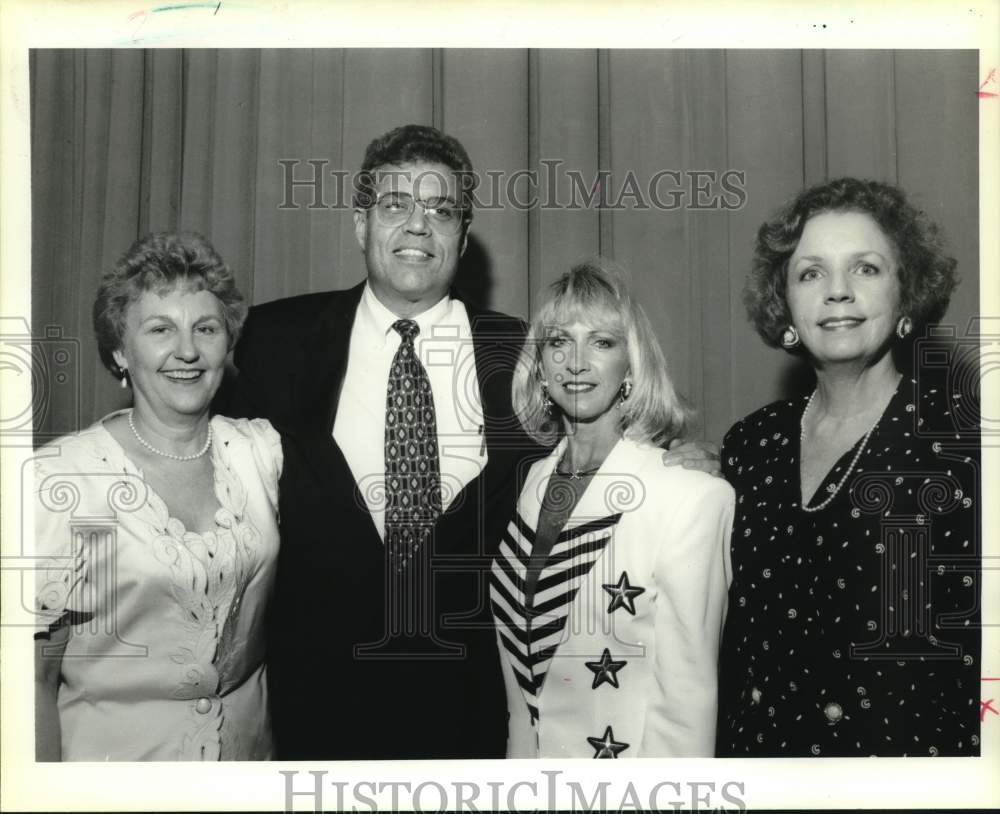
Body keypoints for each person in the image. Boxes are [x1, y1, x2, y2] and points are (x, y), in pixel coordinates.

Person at [224, 124, 716, 759]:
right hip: (315, 715)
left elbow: (593, 456)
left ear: (462, 233)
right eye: (396, 205)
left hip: (474, 722)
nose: (418, 227)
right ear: (360, 223)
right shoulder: (275, 340)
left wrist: (675, 455)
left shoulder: (523, 352)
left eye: (441, 210)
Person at [716, 178, 981, 757]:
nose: (838, 292)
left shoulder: (966, 446)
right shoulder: (750, 445)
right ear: (784, 305)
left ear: (906, 292)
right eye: (811, 273)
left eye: (865, 269)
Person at [33, 232, 282, 761]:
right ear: (120, 350)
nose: (187, 351)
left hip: (249, 769)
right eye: (160, 329)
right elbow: (33, 677)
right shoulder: (63, 481)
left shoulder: (259, 451)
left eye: (206, 329)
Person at [492, 260, 734, 758]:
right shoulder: (534, 483)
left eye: (601, 342)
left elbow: (687, 704)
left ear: (632, 364)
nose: (575, 362)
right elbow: (524, 693)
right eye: (559, 341)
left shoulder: (689, 495)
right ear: (539, 365)